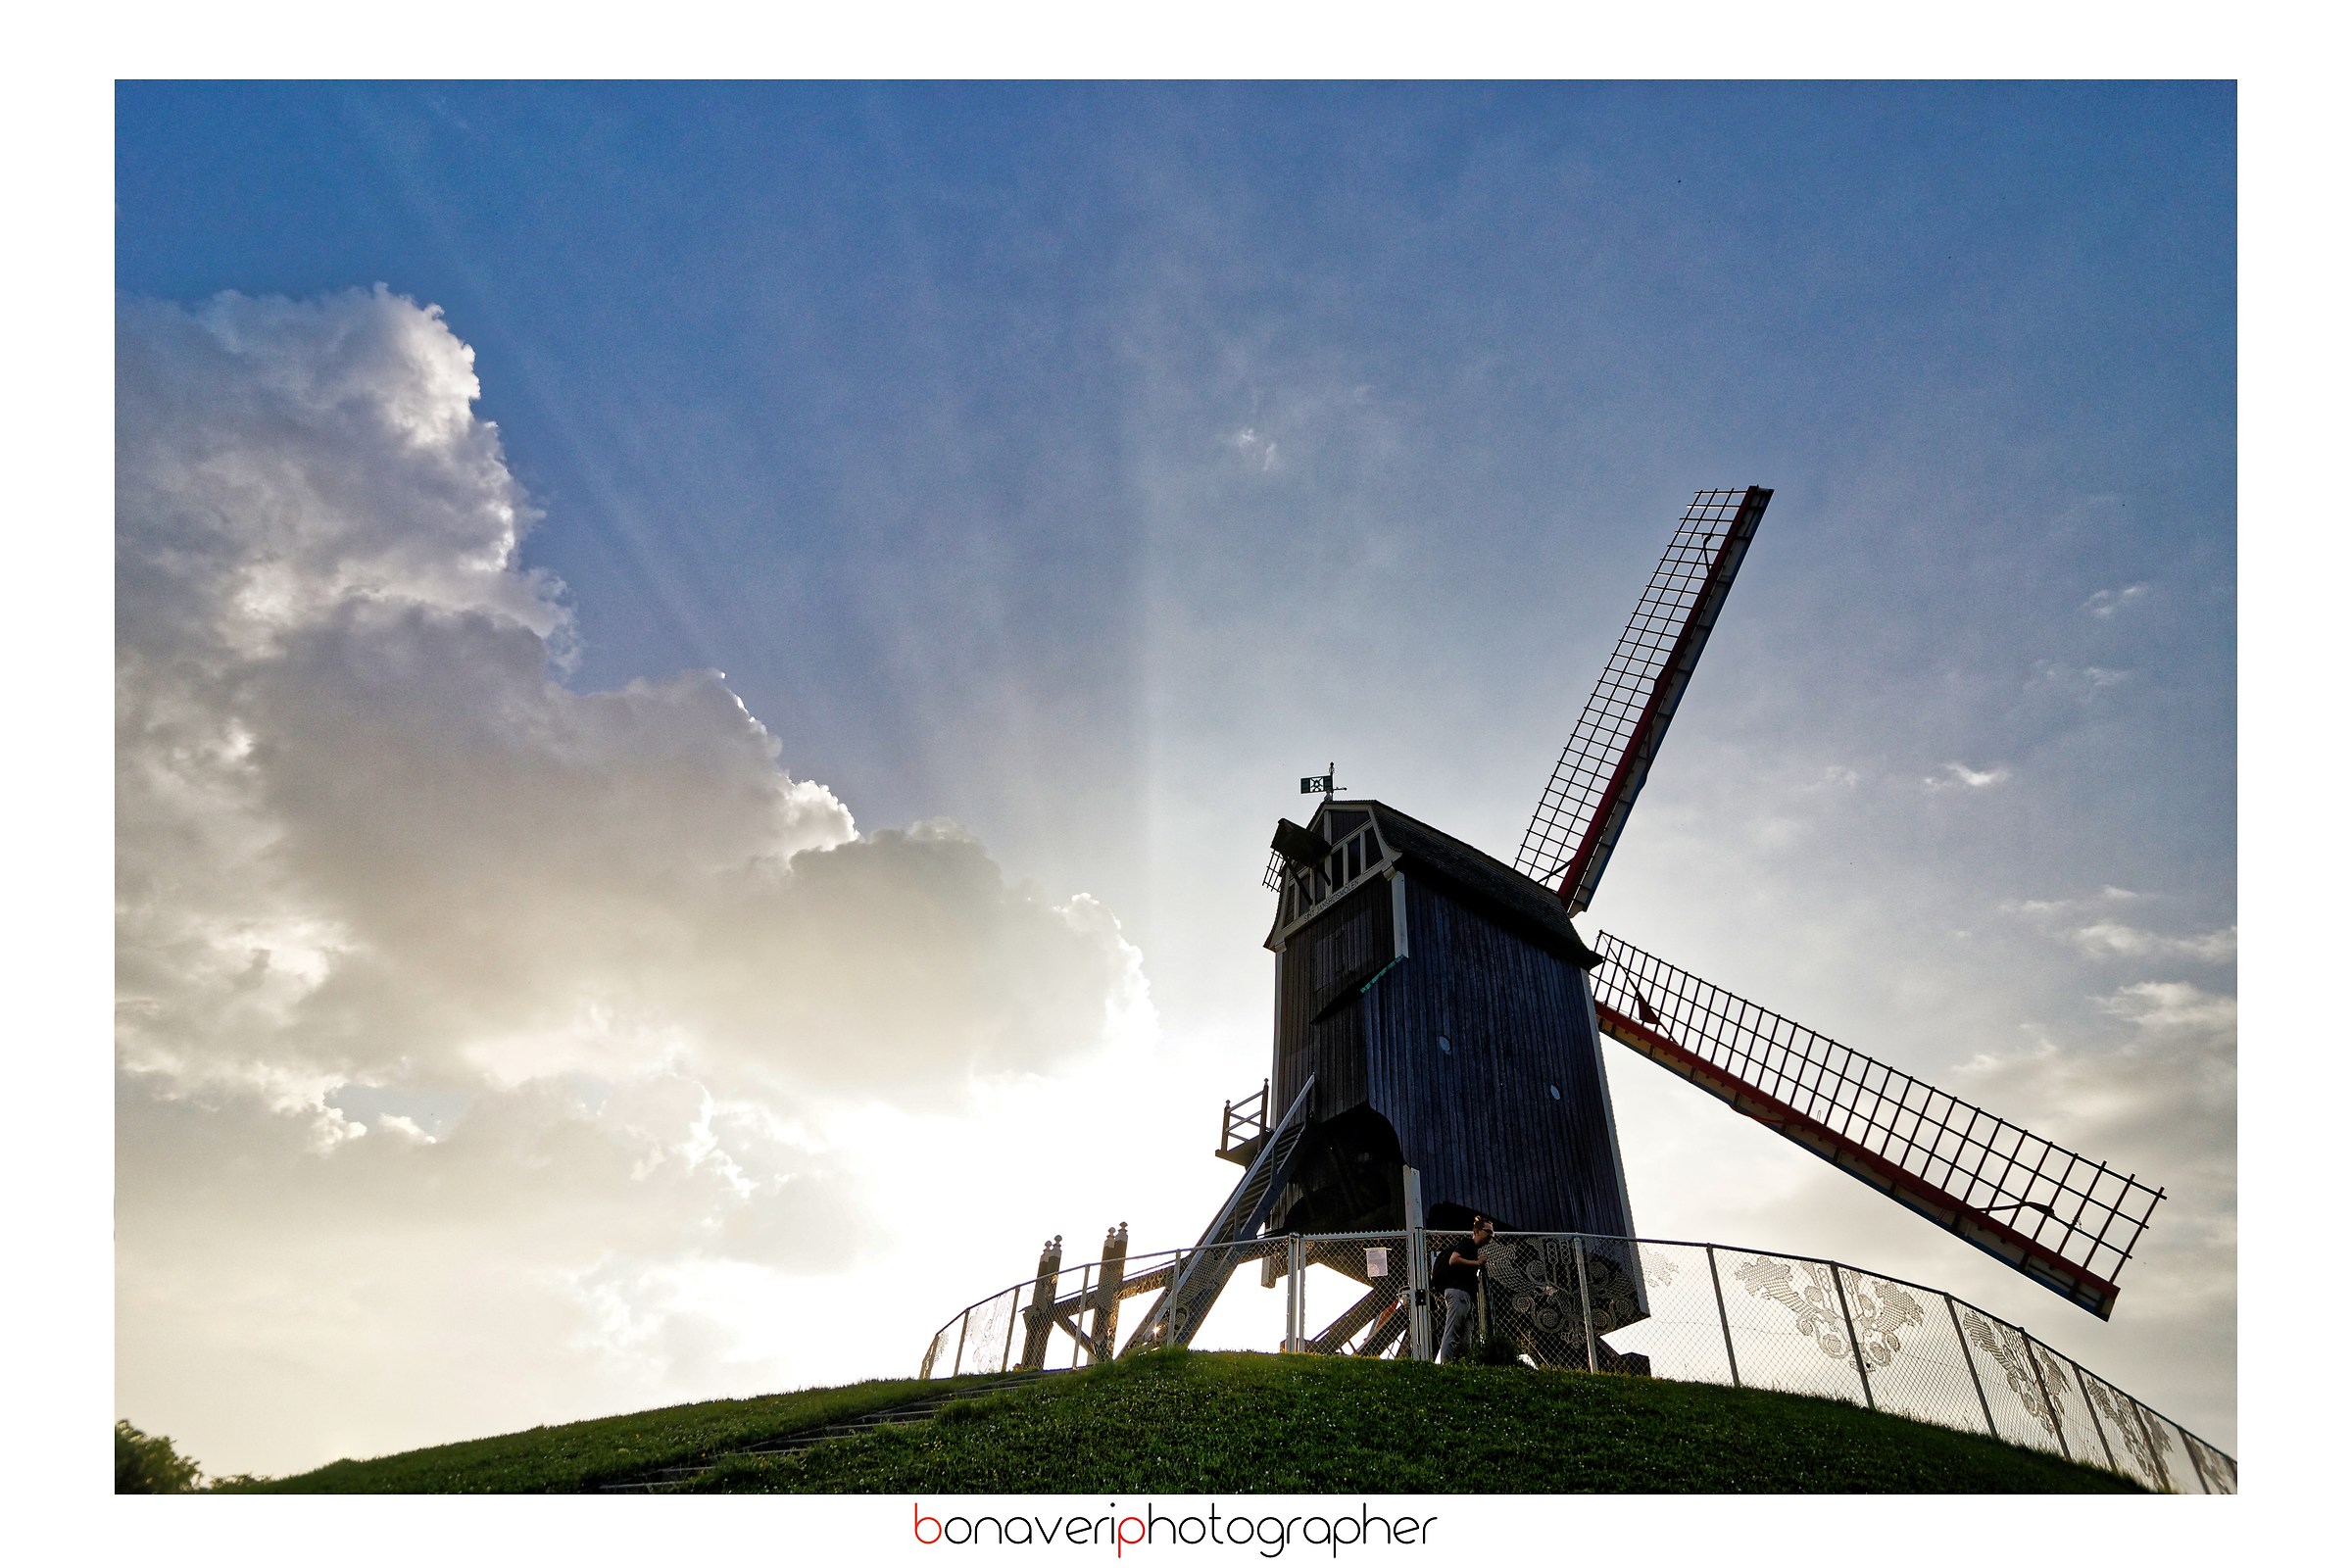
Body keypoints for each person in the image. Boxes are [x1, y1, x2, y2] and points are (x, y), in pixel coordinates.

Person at [1433, 1216, 1494, 1364]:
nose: (1491, 1235)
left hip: (1466, 1296)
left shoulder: (1472, 1250)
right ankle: (1445, 1365)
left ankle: (1461, 1366)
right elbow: (1453, 1260)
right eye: (1488, 1231)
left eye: (1493, 1233)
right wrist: (1476, 1262)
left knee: (1466, 1338)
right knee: (1452, 1331)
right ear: (1477, 1231)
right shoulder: (1467, 1244)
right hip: (1458, 1293)